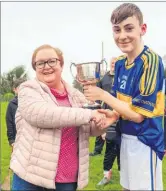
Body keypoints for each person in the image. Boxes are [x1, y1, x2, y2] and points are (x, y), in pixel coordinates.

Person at [84, 3, 165, 190]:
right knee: (126, 187)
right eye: (116, 30)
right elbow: (120, 103)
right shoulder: (120, 62)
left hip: (146, 140)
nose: (122, 36)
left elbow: (138, 115)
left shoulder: (151, 60)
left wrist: (102, 94)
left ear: (142, 29)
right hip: (124, 137)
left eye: (129, 28)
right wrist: (113, 115)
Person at [10, 44, 109, 191]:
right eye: (40, 63)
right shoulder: (28, 89)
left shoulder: (76, 96)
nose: (46, 66)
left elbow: (88, 129)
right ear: (35, 68)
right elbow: (44, 115)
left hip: (67, 177)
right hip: (30, 176)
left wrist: (103, 122)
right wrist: (89, 114)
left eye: (52, 61)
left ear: (61, 65)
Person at [95, 57, 120, 186]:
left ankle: (125, 176)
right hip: (108, 116)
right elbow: (97, 97)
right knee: (109, 147)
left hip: (124, 116)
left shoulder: (124, 76)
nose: (114, 65)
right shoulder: (104, 78)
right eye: (112, 63)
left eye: (116, 63)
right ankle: (106, 175)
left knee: (123, 148)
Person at [6, 78, 26, 148]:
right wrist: (11, 140)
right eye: (21, 88)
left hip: (30, 139)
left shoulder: (31, 103)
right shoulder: (11, 104)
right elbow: (9, 123)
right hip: (17, 139)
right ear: (14, 89)